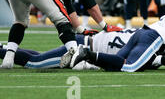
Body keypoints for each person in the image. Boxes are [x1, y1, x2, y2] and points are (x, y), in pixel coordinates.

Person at [0, 28, 139, 70]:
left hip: (86, 43)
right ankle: (2, 51)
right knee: (35, 63)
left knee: (44, 57)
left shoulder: (140, 33)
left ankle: (5, 48)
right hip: (83, 47)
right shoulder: (144, 42)